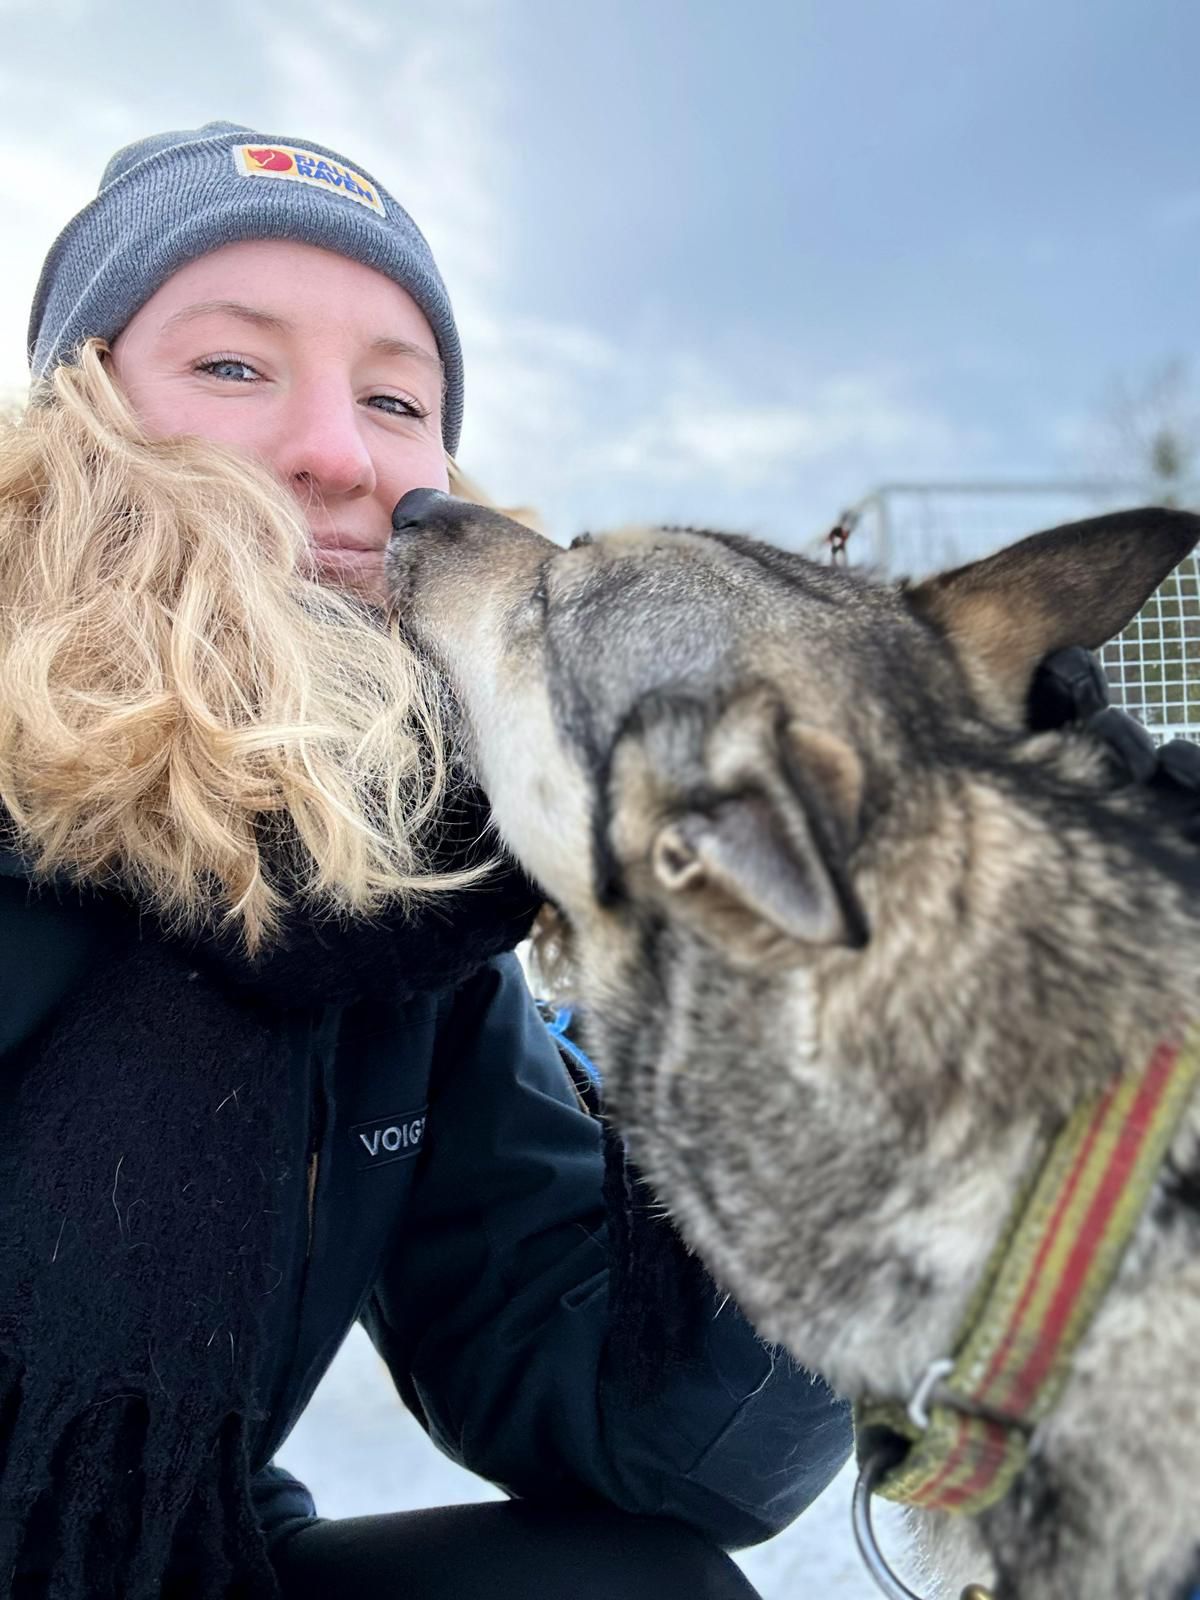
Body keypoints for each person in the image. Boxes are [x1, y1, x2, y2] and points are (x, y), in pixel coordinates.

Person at [0, 121, 854, 1600]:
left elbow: (659, 1436)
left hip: (190, 1553)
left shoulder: (413, 892)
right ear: (78, 419)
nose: (339, 451)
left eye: (396, 396)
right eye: (233, 367)